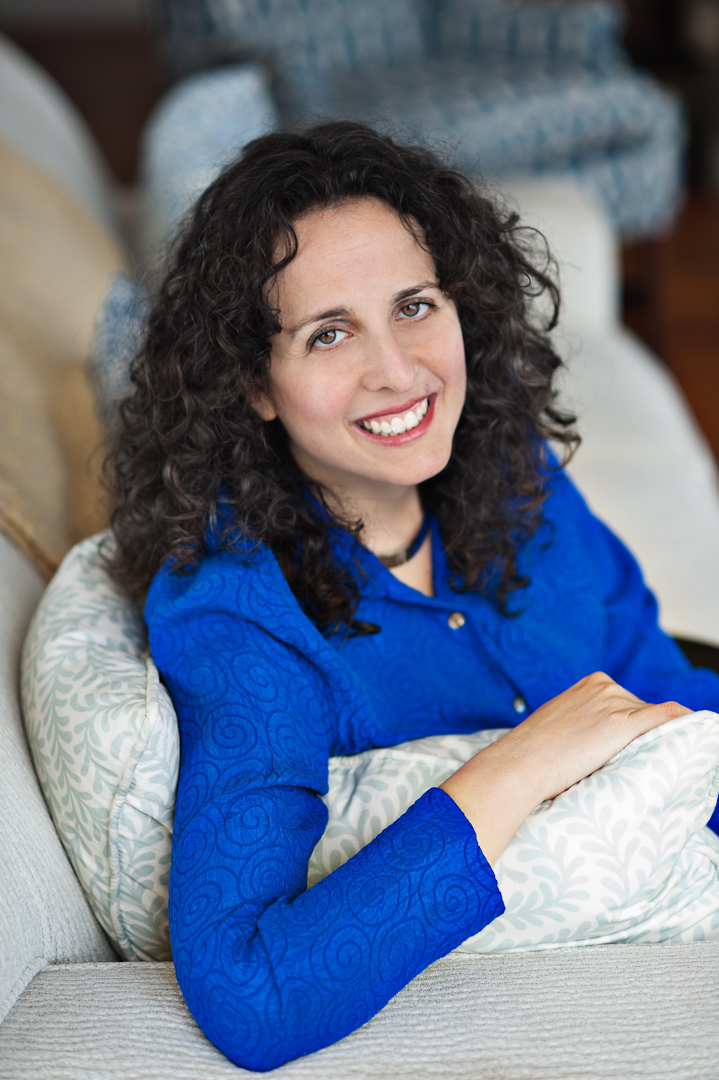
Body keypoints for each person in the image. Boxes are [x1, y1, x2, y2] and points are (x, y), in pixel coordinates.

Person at [106, 121, 719, 1072]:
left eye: (414, 306)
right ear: (254, 383)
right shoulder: (239, 619)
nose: (397, 371)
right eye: (328, 333)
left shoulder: (516, 476)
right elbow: (252, 993)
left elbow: (662, 687)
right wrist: (519, 764)